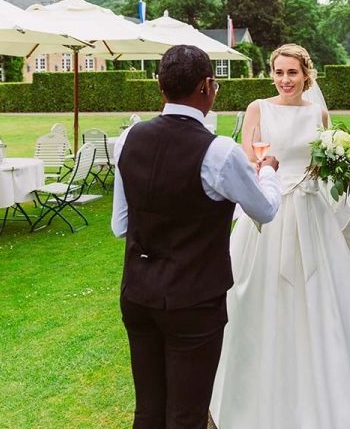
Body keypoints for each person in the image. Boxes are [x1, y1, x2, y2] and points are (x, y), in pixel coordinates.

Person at [211, 44, 350, 429]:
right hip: (268, 211)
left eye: (292, 72)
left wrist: (336, 166)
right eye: (279, 72)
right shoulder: (258, 108)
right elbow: (246, 156)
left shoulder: (317, 112)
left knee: (321, 292)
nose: (285, 80)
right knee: (257, 295)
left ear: (306, 74)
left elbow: (325, 163)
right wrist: (265, 170)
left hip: (309, 212)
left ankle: (335, 394)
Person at [111, 45, 283, 429]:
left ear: (161, 86)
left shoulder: (128, 139)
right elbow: (266, 210)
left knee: (148, 409)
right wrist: (268, 171)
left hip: (138, 292)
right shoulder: (218, 151)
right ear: (207, 86)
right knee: (187, 414)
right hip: (193, 298)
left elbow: (120, 225)